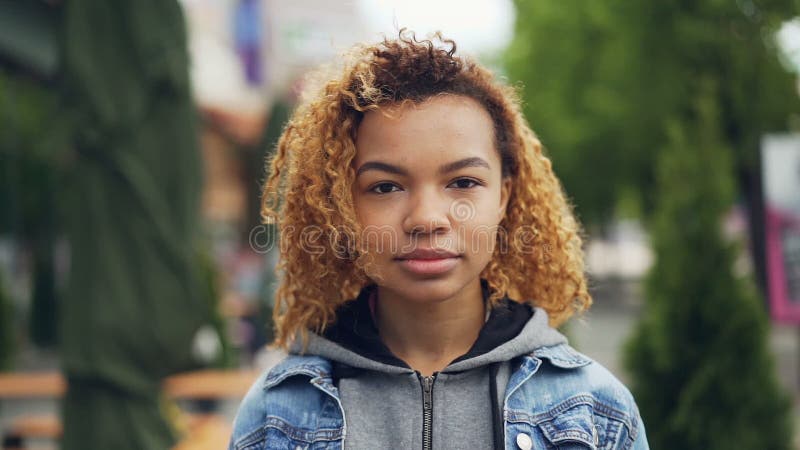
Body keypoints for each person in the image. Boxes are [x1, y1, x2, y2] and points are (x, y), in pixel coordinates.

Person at [229, 30, 649, 450]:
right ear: (342, 204)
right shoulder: (276, 416)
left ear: (503, 196)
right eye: (385, 187)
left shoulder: (596, 412)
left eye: (463, 181)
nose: (427, 219)